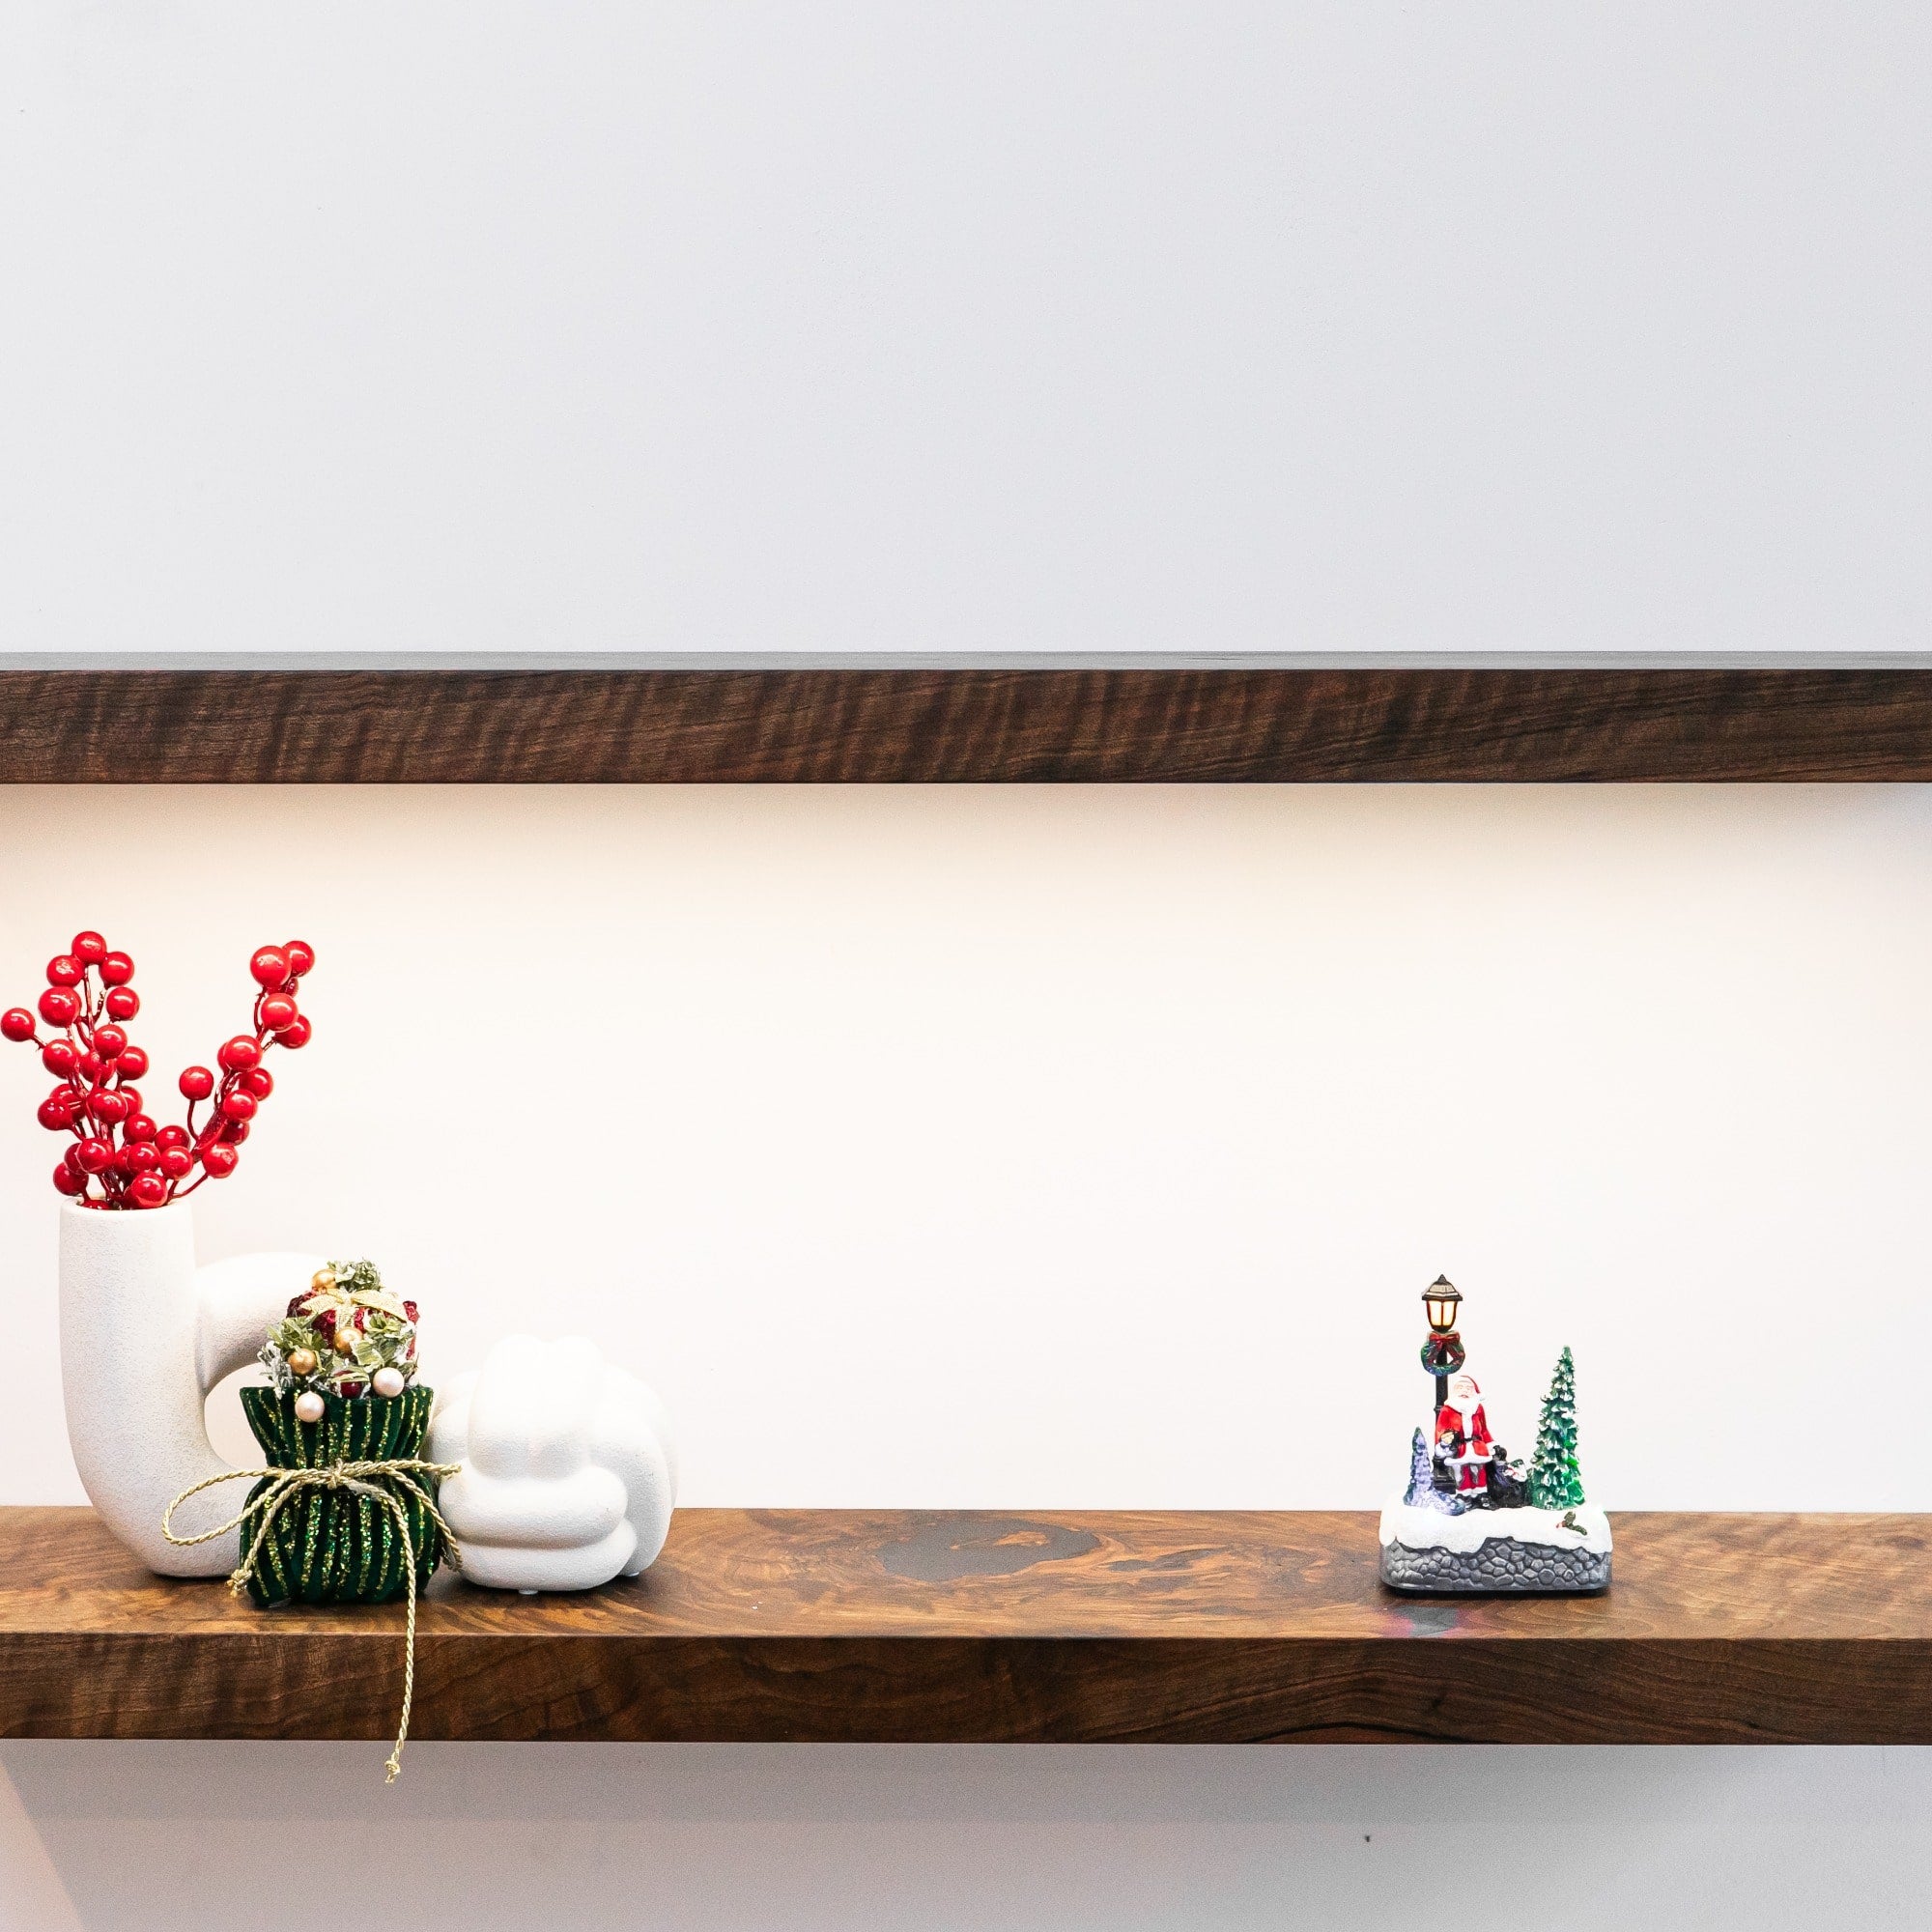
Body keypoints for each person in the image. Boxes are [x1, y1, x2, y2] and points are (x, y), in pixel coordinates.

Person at [1435, 1372, 1494, 1495]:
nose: (1464, 1391)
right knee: (1461, 1472)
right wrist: (1444, 1440)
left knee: (1479, 1471)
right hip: (1459, 1447)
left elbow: (1483, 1429)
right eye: (1460, 1388)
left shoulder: (1478, 1408)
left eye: (1468, 1388)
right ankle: (1464, 1495)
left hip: (1477, 1446)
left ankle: (1481, 1494)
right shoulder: (1448, 1409)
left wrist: (1491, 1444)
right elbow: (1440, 1429)